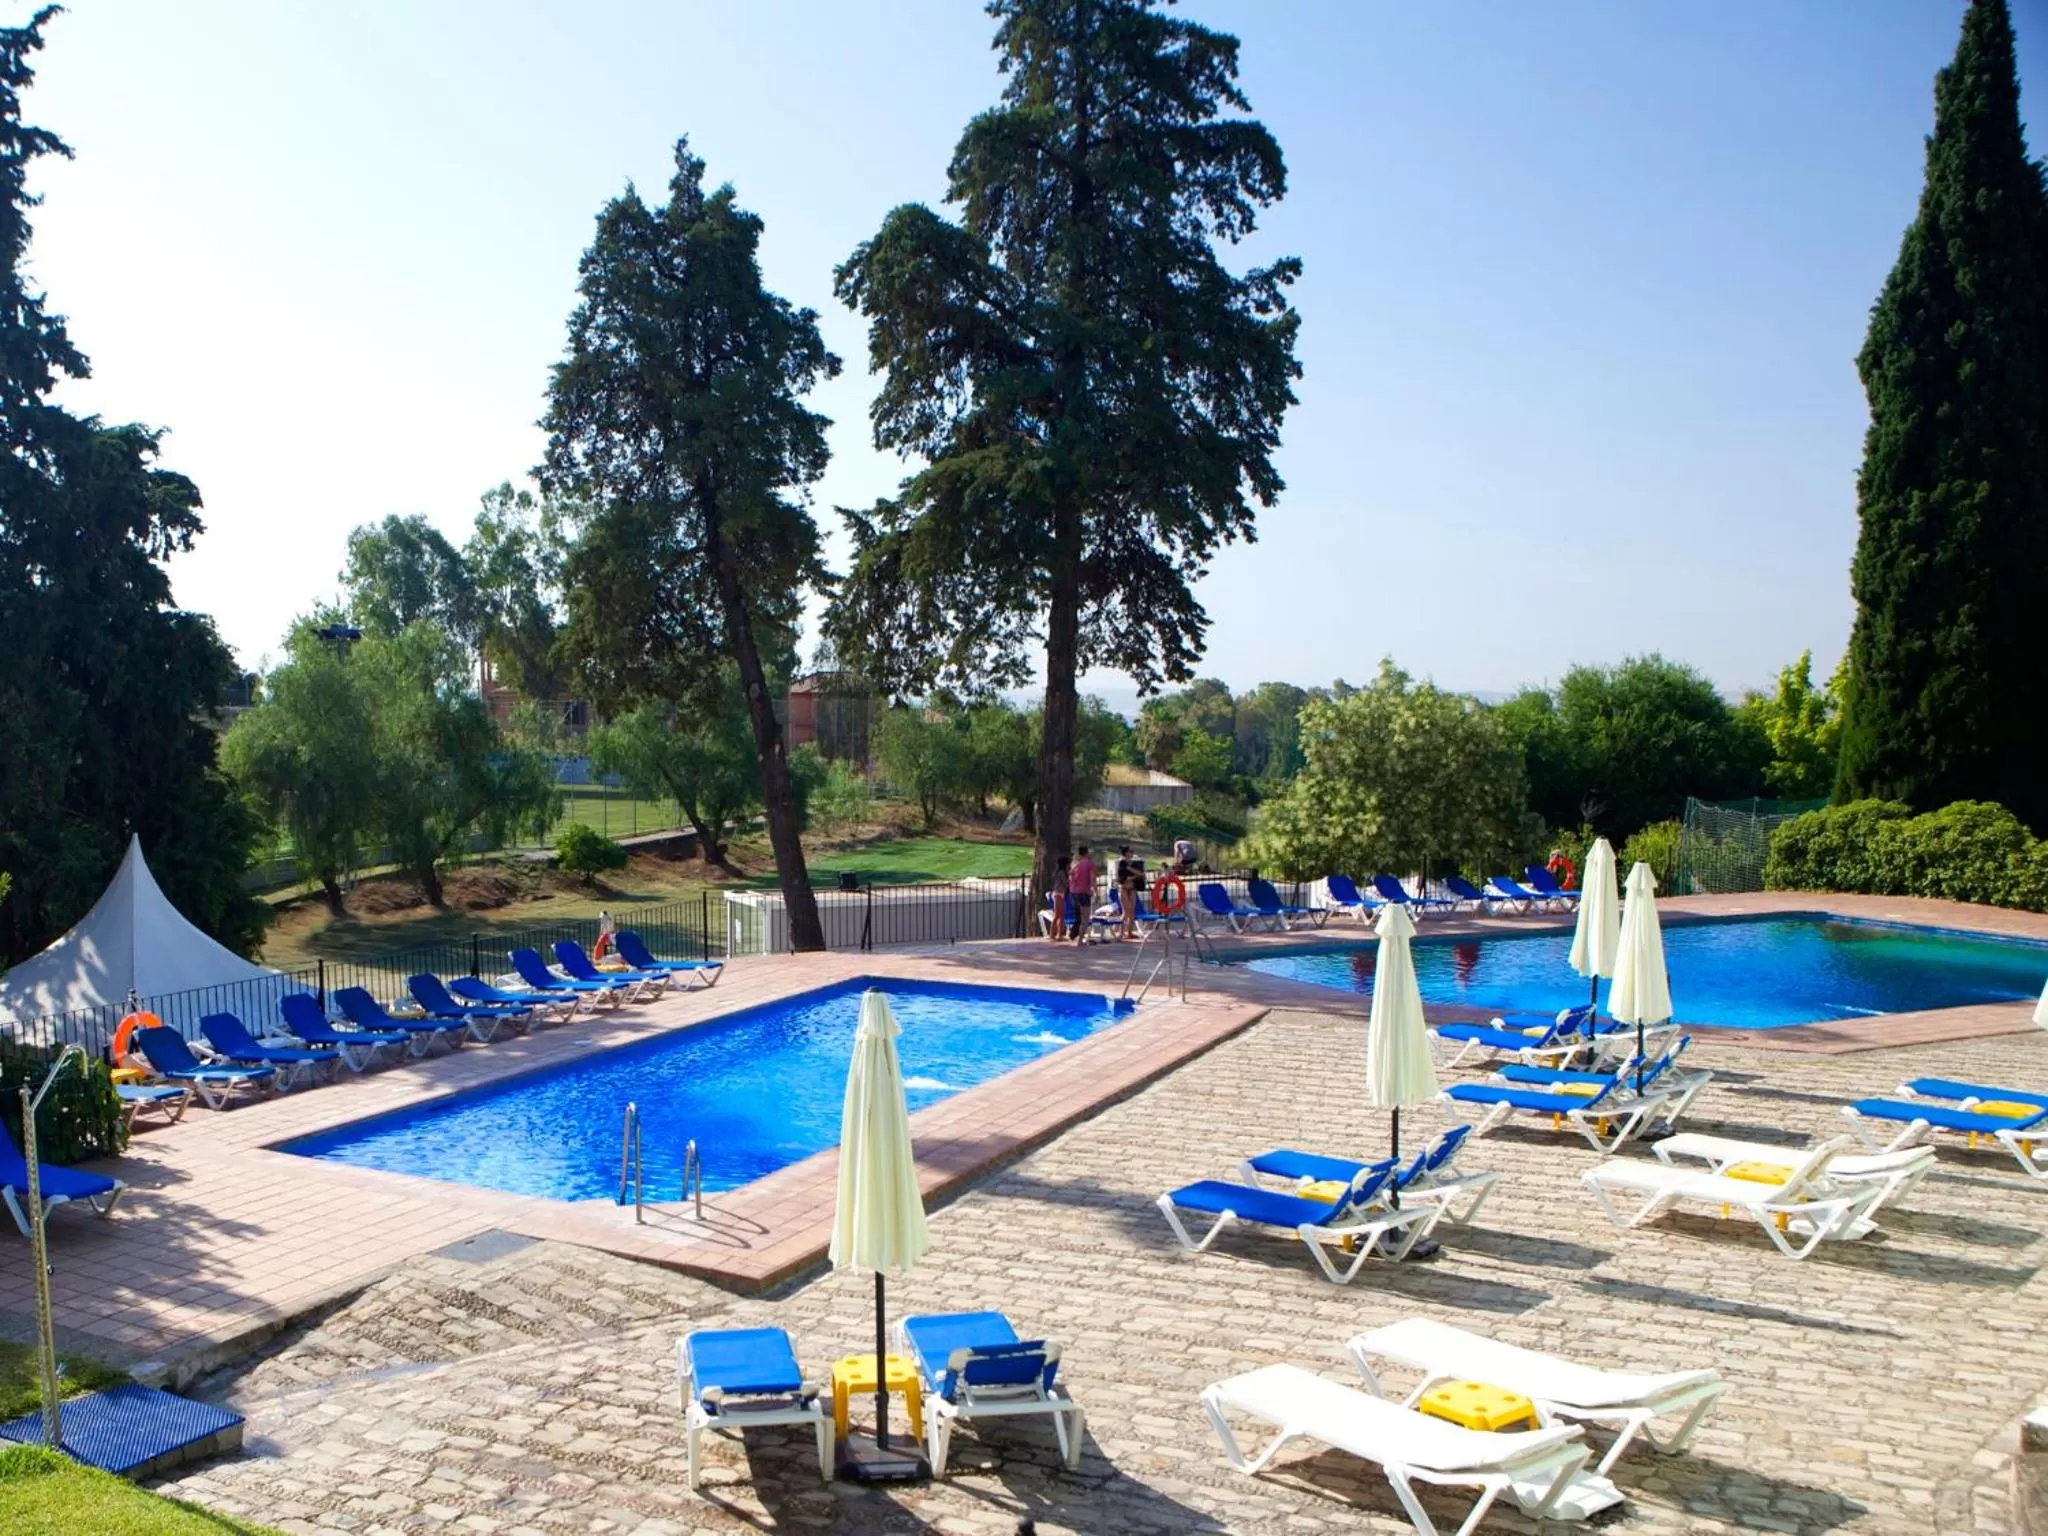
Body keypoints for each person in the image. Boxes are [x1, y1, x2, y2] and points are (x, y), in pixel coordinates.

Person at [1068, 845, 1097, 942]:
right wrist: (1096, 891)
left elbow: (1070, 877)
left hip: (1074, 892)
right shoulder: (1090, 864)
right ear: (1087, 853)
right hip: (1084, 892)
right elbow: (1092, 878)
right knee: (1085, 917)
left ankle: (1074, 934)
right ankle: (1080, 939)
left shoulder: (1075, 864)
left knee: (1078, 916)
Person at [1116, 845, 1142, 939]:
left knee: (1132, 912)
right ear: (1126, 853)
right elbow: (1124, 876)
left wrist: (1132, 877)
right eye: (1130, 851)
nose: (1132, 853)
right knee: (1126, 911)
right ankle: (1120, 932)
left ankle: (1129, 932)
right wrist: (1133, 875)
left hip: (1132, 888)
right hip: (1124, 888)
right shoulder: (1122, 863)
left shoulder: (1135, 863)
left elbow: (1140, 874)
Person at [1047, 854, 1071, 943]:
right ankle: (1052, 934)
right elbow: (1066, 883)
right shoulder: (1061, 872)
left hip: (1061, 893)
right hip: (1058, 894)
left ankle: (1060, 934)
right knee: (1057, 915)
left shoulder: (1062, 872)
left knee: (1062, 915)